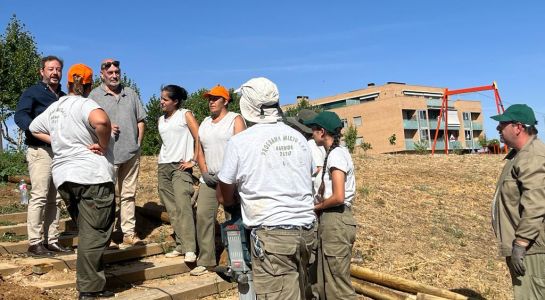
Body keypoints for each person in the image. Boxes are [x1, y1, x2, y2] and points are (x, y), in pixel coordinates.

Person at [218, 77, 316, 299]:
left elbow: (225, 188)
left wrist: (231, 199)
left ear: (248, 106)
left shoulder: (240, 142)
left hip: (273, 237)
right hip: (306, 232)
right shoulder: (298, 138)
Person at [29, 63, 116, 299]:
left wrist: (57, 139)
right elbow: (102, 122)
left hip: (65, 177)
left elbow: (33, 127)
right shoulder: (86, 104)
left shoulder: (56, 107)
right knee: (95, 232)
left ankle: (90, 282)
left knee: (87, 230)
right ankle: (89, 289)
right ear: (88, 86)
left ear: (68, 83)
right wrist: (104, 144)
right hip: (91, 176)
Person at [14, 55, 72, 256]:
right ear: (42, 72)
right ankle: (35, 242)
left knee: (55, 198)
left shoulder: (64, 97)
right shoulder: (33, 92)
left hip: (60, 153)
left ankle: (52, 240)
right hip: (40, 150)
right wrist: (37, 132)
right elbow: (20, 115)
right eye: (50, 69)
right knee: (39, 195)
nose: (55, 73)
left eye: (58, 69)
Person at [89, 59, 146, 248]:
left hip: (131, 152)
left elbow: (141, 119)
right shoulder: (94, 96)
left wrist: (138, 143)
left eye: (117, 72)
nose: (114, 76)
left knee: (129, 194)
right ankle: (108, 236)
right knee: (108, 195)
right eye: (110, 72)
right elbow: (87, 122)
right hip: (107, 153)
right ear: (102, 75)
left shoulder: (130, 93)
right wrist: (103, 128)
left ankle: (129, 233)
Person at [490, 104, 545, 299]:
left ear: (518, 127)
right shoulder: (520, 155)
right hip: (528, 248)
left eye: (502, 124)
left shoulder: (532, 156)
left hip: (532, 250)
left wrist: (521, 243)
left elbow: (536, 204)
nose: (498, 129)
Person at [191, 85, 246, 276]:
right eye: (209, 99)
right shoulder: (205, 122)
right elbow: (199, 150)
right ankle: (206, 261)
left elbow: (241, 149)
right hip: (209, 178)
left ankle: (236, 262)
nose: (211, 102)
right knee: (203, 216)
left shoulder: (235, 119)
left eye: (215, 98)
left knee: (233, 220)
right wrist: (204, 171)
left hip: (230, 178)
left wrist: (228, 174)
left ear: (226, 101)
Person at [304, 111, 358, 300]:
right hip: (331, 221)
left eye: (313, 129)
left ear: (322, 132)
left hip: (336, 219)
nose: (312, 134)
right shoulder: (334, 154)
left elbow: (338, 196)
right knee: (325, 283)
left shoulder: (336, 155)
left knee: (338, 287)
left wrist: (315, 207)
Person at [157, 84, 200, 262]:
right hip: (163, 166)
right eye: (161, 98)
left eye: (165, 99)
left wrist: (194, 160)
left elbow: (199, 136)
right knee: (172, 209)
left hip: (181, 166)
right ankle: (181, 245)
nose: (161, 102)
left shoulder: (185, 114)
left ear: (175, 101)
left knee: (183, 206)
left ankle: (191, 248)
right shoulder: (160, 119)